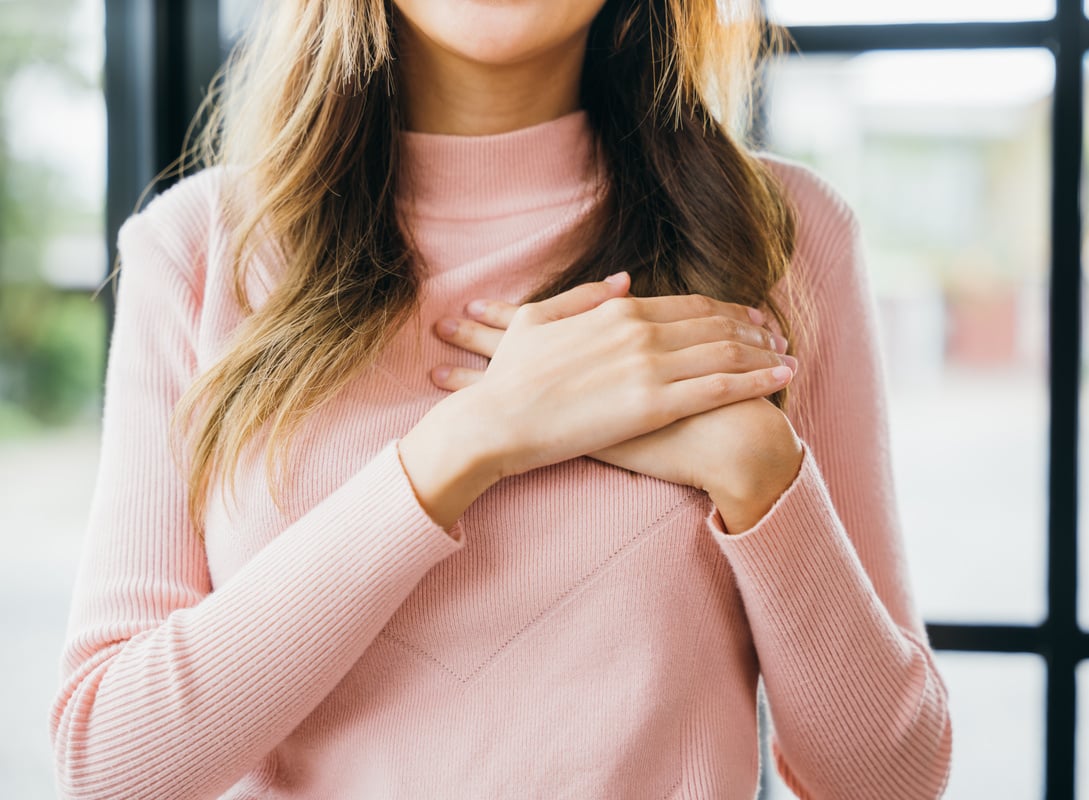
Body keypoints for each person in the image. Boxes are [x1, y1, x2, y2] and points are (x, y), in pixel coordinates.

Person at [49, 0, 953, 797]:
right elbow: (110, 765)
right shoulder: (199, 250)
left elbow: (891, 780)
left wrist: (761, 474)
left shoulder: (786, 236)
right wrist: (473, 439)